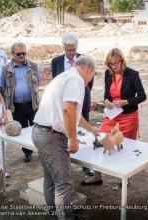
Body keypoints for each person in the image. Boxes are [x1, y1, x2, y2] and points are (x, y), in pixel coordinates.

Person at [32, 55, 97, 220]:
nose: (90, 79)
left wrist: (92, 130)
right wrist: (73, 139)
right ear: (89, 71)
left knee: (51, 179)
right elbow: (68, 109)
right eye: (92, 75)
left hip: (41, 131)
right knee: (63, 183)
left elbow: (74, 112)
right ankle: (65, 217)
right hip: (51, 136)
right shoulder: (77, 80)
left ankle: (55, 215)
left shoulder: (66, 75)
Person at [80, 48, 146, 185]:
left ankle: (125, 178)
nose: (114, 67)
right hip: (113, 115)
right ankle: (97, 175)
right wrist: (106, 101)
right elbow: (106, 93)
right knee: (100, 140)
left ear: (122, 61)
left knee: (124, 145)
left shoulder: (132, 74)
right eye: (111, 64)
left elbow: (142, 96)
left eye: (116, 63)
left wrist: (125, 102)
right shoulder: (108, 73)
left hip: (128, 116)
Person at [51, 32, 94, 175]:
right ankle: (67, 158)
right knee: (70, 133)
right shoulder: (56, 62)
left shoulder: (84, 61)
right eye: (68, 50)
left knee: (84, 135)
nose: (71, 52)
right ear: (63, 48)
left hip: (80, 104)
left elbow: (88, 85)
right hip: (64, 106)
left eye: (73, 49)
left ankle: (85, 163)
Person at [2, 42, 40, 163]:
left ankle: (40, 149)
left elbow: (37, 82)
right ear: (12, 54)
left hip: (32, 104)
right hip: (17, 106)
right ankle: (27, 152)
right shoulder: (6, 68)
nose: (22, 55)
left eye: (24, 53)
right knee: (22, 130)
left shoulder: (33, 66)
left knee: (37, 128)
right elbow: (3, 85)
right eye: (19, 54)